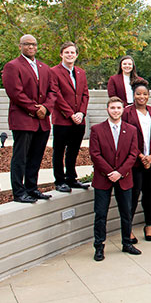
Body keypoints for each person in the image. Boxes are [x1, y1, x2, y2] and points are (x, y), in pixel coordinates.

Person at [3, 34, 55, 204]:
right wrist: (35, 109)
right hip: (23, 119)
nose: (31, 47)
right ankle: (19, 192)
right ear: (20, 46)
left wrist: (46, 108)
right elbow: (15, 93)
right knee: (20, 158)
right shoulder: (13, 66)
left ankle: (32, 188)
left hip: (42, 121)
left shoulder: (44, 68)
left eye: (33, 44)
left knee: (36, 157)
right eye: (27, 44)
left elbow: (53, 91)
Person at [89, 97, 140, 261]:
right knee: (100, 214)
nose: (116, 110)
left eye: (119, 108)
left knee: (126, 212)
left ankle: (127, 243)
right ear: (107, 110)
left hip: (124, 177)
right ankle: (99, 246)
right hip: (103, 178)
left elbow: (133, 154)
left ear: (123, 109)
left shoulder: (131, 130)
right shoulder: (97, 129)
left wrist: (120, 172)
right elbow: (95, 154)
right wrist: (110, 172)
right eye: (113, 108)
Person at [123, 80, 151, 243]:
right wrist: (140, 156)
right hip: (135, 162)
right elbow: (126, 138)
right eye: (139, 94)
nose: (142, 97)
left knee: (148, 195)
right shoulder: (127, 113)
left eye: (145, 94)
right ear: (133, 95)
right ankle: (129, 229)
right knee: (133, 195)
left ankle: (148, 226)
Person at [50, 41, 90, 193]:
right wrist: (70, 114)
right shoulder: (53, 72)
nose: (70, 55)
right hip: (62, 120)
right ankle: (60, 181)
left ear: (76, 55)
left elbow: (85, 94)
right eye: (67, 52)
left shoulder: (81, 73)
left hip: (79, 120)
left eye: (72, 52)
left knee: (73, 150)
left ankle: (71, 178)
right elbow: (56, 95)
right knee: (59, 151)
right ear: (61, 54)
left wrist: (81, 113)